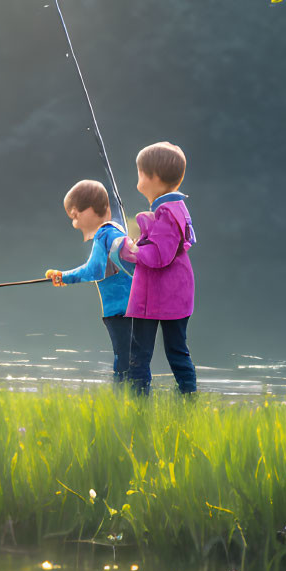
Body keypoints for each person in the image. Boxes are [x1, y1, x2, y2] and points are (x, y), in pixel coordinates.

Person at [118, 141, 197, 395]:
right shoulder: (175, 209)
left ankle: (139, 402)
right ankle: (188, 397)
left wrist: (131, 250)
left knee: (140, 353)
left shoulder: (166, 211)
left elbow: (160, 255)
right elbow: (171, 244)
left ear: (153, 177)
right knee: (177, 349)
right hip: (176, 293)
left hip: (155, 296)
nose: (138, 178)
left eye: (140, 173)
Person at [45, 179, 134, 382]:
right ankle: (136, 399)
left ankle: (126, 400)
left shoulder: (104, 235)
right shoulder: (116, 232)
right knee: (132, 359)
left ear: (89, 210)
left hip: (121, 311)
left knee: (123, 361)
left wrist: (63, 277)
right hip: (130, 308)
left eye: (75, 216)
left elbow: (94, 270)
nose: (74, 223)